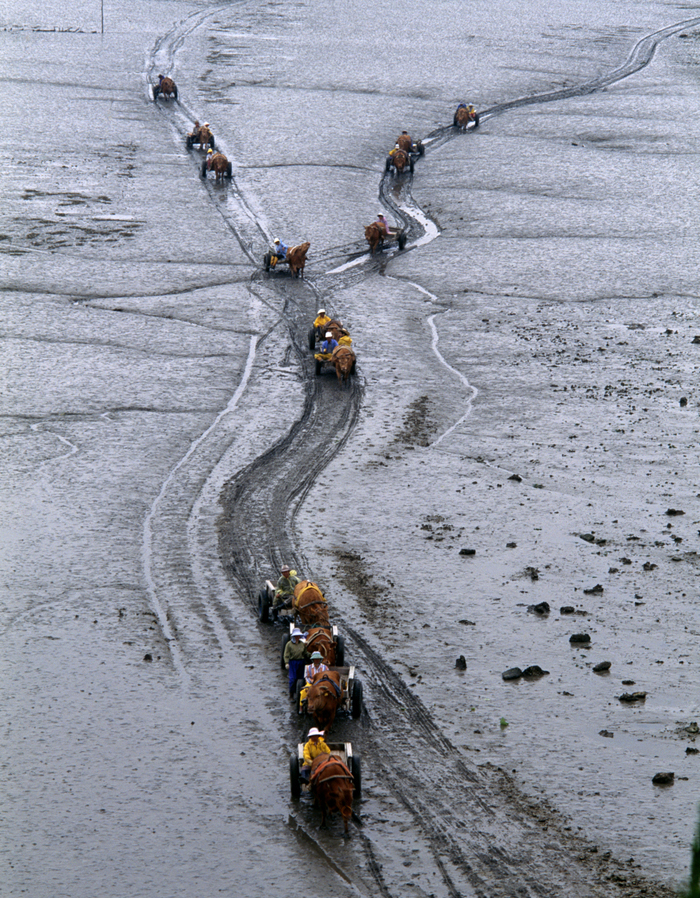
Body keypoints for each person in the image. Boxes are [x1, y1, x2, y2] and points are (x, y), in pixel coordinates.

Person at [284, 627, 308, 697]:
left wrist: (312, 655)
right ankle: (291, 694)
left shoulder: (302, 644)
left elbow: (305, 653)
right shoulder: (289, 644)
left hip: (301, 662)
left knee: (300, 679)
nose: (297, 637)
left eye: (298, 636)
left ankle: (299, 694)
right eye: (296, 636)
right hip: (293, 663)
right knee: (292, 679)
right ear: (293, 636)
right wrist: (286, 663)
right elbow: (286, 654)